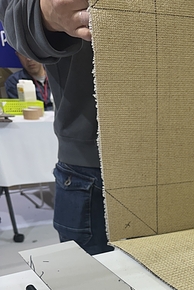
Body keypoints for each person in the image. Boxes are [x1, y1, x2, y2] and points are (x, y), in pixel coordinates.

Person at [0, 0, 112, 255]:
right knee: (89, 276)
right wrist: (45, 14)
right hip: (90, 163)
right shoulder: (18, 80)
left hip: (191, 153)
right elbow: (12, 16)